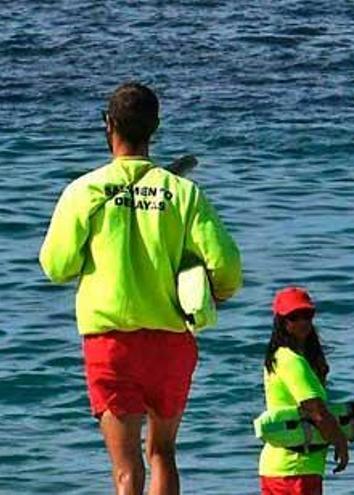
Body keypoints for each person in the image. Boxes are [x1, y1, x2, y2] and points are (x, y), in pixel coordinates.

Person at [39, 81, 242, 495]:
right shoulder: (184, 192)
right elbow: (228, 268)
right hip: (170, 340)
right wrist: (216, 291)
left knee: (126, 467)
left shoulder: (85, 191)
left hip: (111, 343)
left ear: (108, 125)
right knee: (162, 452)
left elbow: (56, 266)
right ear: (155, 127)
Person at [260, 287, 350, 495]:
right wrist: (340, 442)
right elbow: (315, 409)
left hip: (289, 468)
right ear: (281, 320)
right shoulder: (291, 360)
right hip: (294, 469)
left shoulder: (284, 356)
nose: (302, 322)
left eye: (307, 315)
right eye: (294, 316)